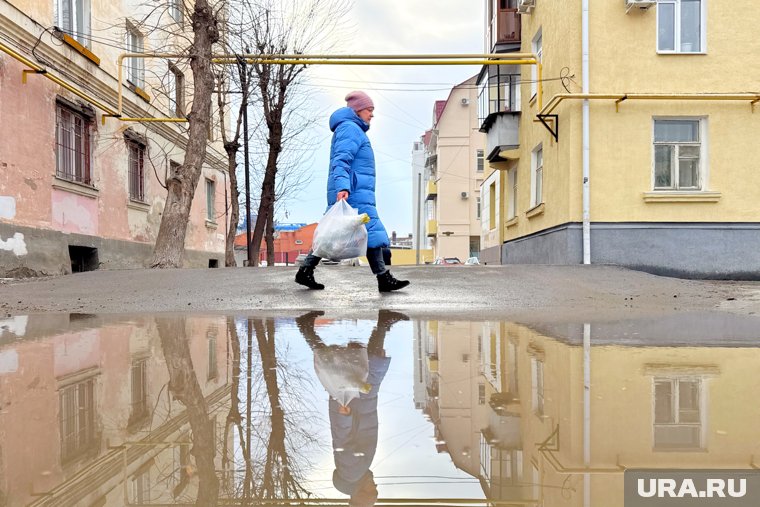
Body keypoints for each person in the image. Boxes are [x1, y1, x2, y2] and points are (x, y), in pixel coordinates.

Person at [295, 91, 410, 292]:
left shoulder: (353, 129)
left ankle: (307, 270)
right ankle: (383, 278)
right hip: (352, 192)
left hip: (356, 191)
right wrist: (343, 187)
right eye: (369, 110)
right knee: (360, 232)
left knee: (359, 233)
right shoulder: (350, 129)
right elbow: (341, 160)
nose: (372, 115)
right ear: (358, 110)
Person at [295, 310, 410, 507]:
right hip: (359, 405)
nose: (375, 485)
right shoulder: (357, 473)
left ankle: (382, 323)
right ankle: (382, 324)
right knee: (349, 366)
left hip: (352, 406)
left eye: (372, 489)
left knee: (362, 366)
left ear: (360, 493)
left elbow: (342, 440)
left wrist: (343, 416)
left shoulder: (351, 472)